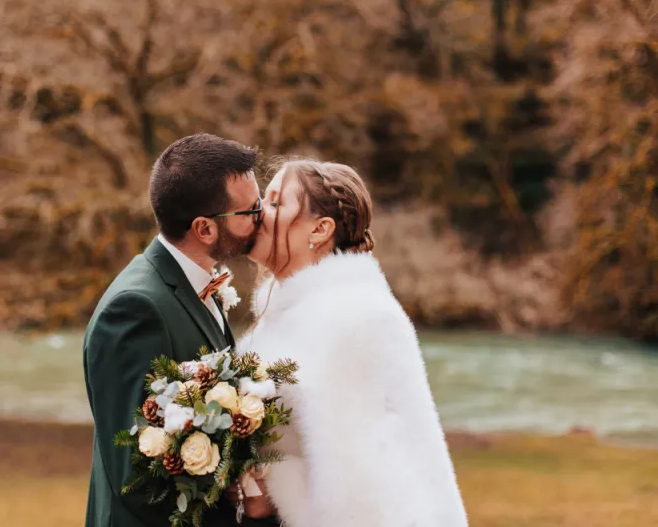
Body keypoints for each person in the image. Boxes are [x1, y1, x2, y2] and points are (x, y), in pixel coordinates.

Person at [234, 159, 469, 527]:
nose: (259, 212)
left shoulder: (352, 316)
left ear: (320, 229)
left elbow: (357, 487)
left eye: (277, 203)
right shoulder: (286, 313)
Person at [83, 133, 280, 527]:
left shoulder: (199, 282)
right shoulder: (135, 309)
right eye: (251, 211)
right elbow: (137, 479)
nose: (262, 218)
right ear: (205, 229)